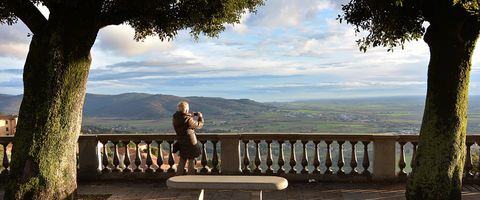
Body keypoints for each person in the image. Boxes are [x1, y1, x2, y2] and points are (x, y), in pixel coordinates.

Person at [172, 101, 204, 175]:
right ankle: (190, 178)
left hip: (181, 142)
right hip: (190, 142)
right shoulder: (188, 120)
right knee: (191, 160)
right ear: (186, 110)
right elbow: (199, 125)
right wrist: (200, 117)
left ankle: (178, 177)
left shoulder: (175, 118)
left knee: (182, 160)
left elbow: (183, 119)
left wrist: (189, 115)